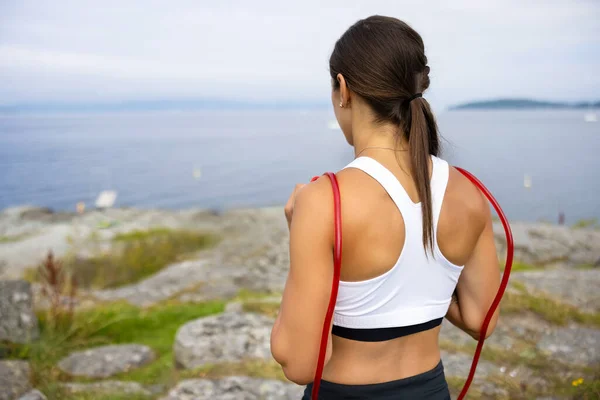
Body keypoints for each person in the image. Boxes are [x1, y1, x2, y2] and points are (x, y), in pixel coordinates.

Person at [270, 15, 501, 400]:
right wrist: (421, 280)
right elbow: (481, 318)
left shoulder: (324, 200)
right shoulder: (469, 192)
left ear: (343, 89)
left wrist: (305, 237)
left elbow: (299, 361)